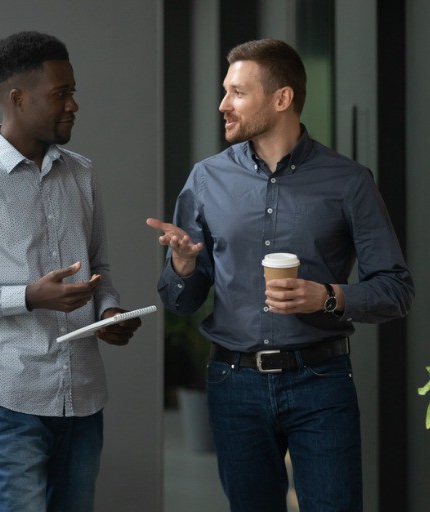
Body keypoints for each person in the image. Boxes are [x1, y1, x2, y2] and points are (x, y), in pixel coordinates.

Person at [147, 39, 414, 511]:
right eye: (225, 91)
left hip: (321, 381)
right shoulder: (206, 179)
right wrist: (182, 267)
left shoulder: (349, 181)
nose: (223, 104)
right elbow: (180, 301)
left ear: (282, 98)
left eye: (237, 93)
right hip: (233, 383)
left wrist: (327, 296)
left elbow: (396, 289)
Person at [0, 31, 141, 512]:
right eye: (61, 93)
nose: (73, 104)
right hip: (8, 402)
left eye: (73, 91)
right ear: (17, 98)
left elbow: (99, 267)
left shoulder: (82, 173)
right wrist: (27, 297)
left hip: (83, 397)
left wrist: (109, 310)